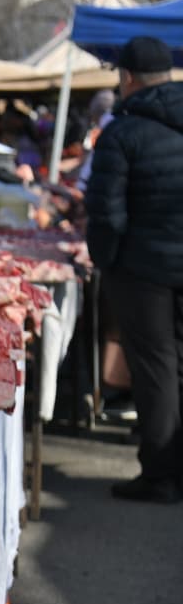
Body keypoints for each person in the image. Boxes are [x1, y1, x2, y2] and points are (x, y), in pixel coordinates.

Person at [85, 35, 183, 503]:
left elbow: (106, 214)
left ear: (127, 79)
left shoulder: (122, 133)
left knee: (157, 370)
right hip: (159, 261)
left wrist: (106, 260)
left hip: (144, 270)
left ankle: (162, 475)